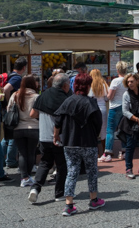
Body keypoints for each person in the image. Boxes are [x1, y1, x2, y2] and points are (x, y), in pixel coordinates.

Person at [53, 73, 105, 216]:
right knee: (92, 171)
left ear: (74, 85)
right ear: (88, 86)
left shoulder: (68, 101)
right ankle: (93, 200)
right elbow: (98, 123)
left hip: (70, 142)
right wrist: (96, 136)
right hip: (88, 142)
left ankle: (69, 205)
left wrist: (56, 135)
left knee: (72, 171)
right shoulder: (91, 103)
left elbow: (58, 120)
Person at [28, 73, 70, 203]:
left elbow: (32, 114)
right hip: (60, 137)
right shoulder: (66, 97)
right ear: (64, 85)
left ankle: (35, 189)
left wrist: (45, 117)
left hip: (44, 136)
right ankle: (59, 194)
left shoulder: (44, 95)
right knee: (62, 165)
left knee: (45, 163)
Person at [8, 75, 40, 188]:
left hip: (18, 128)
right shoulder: (36, 97)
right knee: (31, 153)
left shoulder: (15, 95)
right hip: (33, 127)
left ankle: (24, 177)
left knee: (22, 153)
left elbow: (9, 109)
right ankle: (29, 176)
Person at [2, 58, 28, 168]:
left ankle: (1, 158)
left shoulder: (10, 75)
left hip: (8, 110)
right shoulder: (17, 78)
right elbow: (6, 89)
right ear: (23, 67)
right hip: (13, 110)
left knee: (7, 136)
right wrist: (9, 102)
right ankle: (11, 160)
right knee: (13, 136)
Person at [102, 61, 129, 162]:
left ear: (117, 70)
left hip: (115, 107)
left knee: (110, 130)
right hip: (125, 107)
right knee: (123, 130)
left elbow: (110, 96)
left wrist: (106, 96)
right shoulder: (128, 80)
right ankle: (124, 151)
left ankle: (108, 152)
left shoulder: (115, 81)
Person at [89, 69, 109, 157]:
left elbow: (89, 97)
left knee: (93, 131)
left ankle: (96, 152)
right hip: (103, 108)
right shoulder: (104, 84)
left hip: (93, 109)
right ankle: (105, 151)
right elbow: (107, 98)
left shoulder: (90, 85)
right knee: (103, 130)